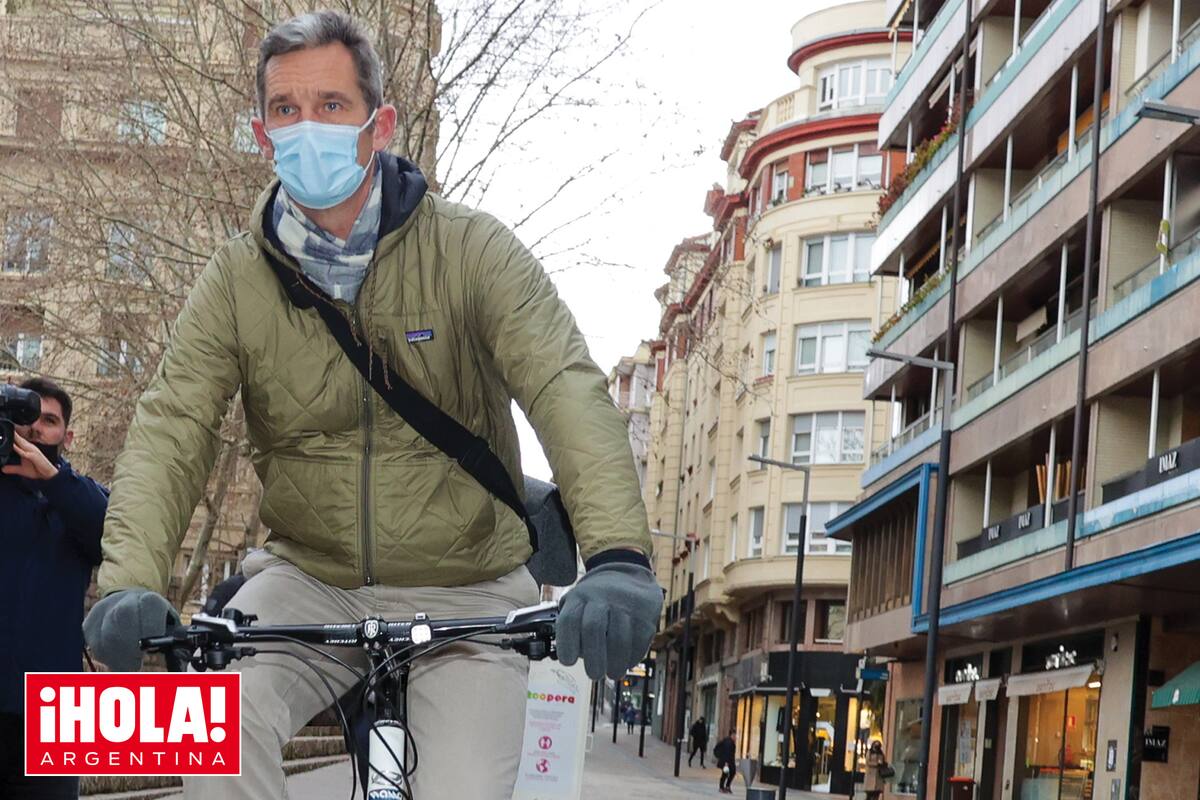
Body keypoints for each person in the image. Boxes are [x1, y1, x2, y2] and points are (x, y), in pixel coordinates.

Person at [80, 10, 661, 800]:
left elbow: (563, 384)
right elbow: (172, 423)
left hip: (471, 584)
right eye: (285, 110)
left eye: (331, 105)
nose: (305, 127)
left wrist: (619, 558)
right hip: (308, 576)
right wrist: (128, 582)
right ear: (261, 133)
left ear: (379, 124)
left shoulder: (471, 250)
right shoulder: (234, 280)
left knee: (459, 787)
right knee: (210, 738)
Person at [0, 378, 108, 799]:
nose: (36, 428)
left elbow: (112, 534)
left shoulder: (79, 498)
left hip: (51, 711)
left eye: (49, 420)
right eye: (27, 416)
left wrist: (54, 481)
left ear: (68, 435)